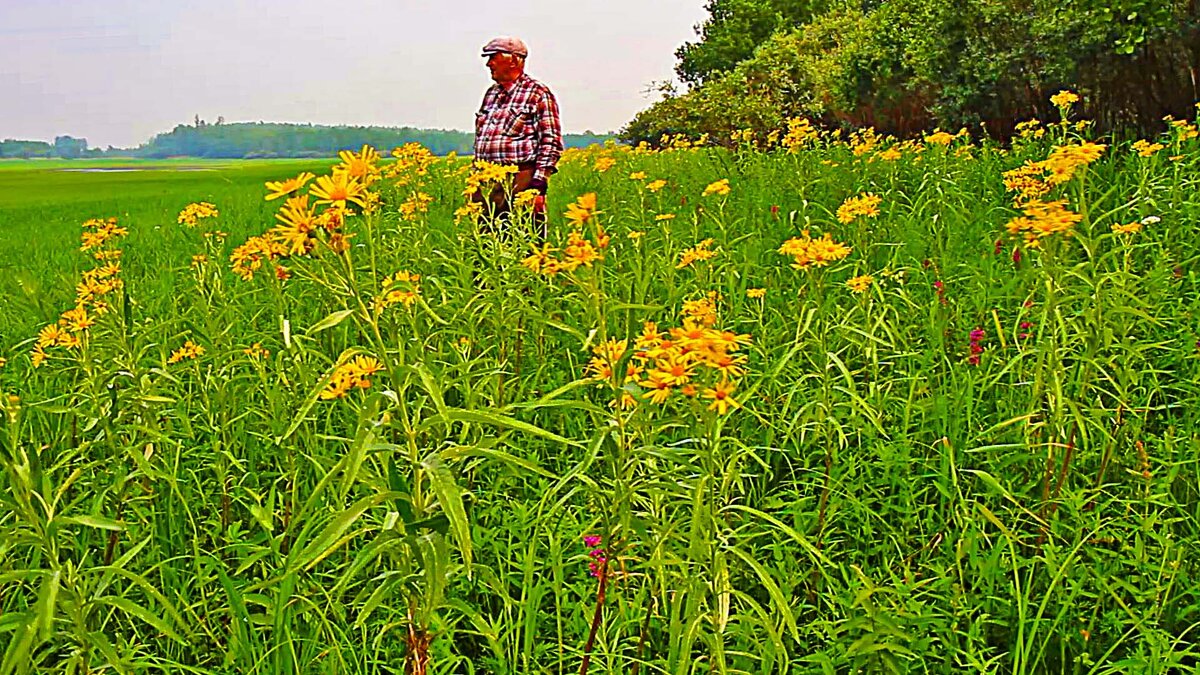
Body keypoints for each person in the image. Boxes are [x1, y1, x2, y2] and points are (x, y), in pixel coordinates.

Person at [472, 36, 563, 235]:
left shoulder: (538, 93)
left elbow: (551, 142)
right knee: (487, 245)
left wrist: (538, 187)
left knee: (524, 240)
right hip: (487, 183)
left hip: (520, 180)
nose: (489, 64)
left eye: (493, 57)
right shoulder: (491, 95)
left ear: (513, 60)